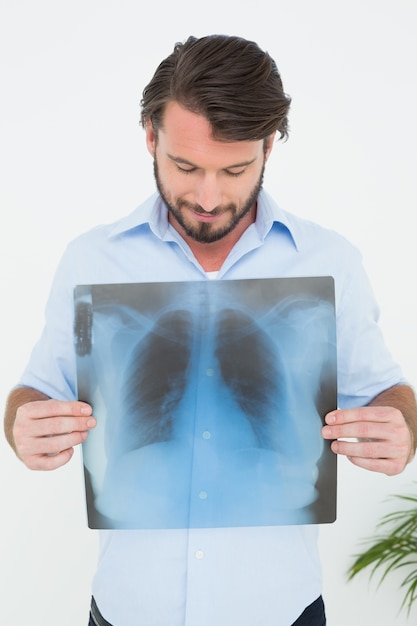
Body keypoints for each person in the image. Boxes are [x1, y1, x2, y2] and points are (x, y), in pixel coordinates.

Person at [3, 34, 417, 626]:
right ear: (150, 135)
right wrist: (23, 426)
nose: (207, 196)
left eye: (235, 169)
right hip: (126, 611)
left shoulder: (331, 261)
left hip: (282, 611)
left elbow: (388, 393)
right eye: (185, 165)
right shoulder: (90, 260)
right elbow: (35, 390)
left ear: (270, 146)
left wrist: (401, 426)